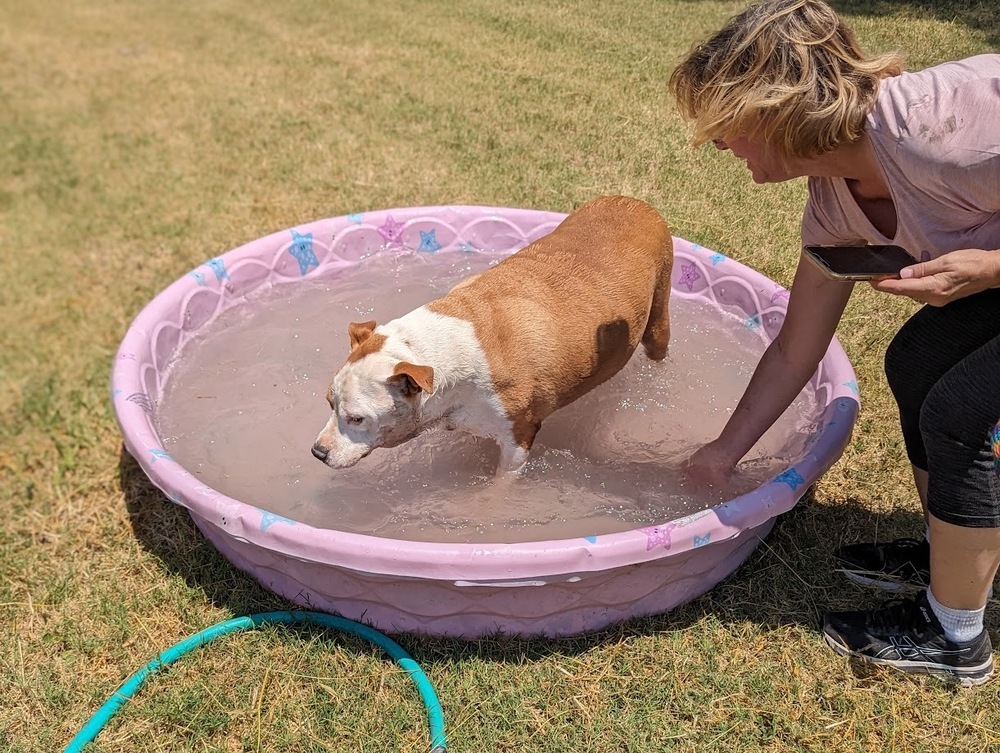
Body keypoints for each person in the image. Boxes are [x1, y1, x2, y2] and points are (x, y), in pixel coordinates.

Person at [668, 0, 1000, 686]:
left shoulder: (948, 133)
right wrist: (720, 457)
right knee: (914, 361)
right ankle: (953, 550)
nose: (719, 147)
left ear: (773, 106)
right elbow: (796, 346)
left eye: (725, 127)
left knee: (960, 412)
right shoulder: (834, 209)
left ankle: (955, 636)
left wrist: (991, 267)